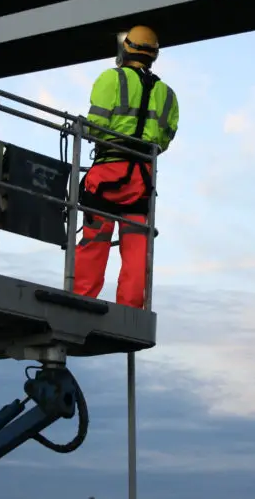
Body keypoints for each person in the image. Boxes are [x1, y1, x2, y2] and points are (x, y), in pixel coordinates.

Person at [72, 25, 179, 309]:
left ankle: (82, 299)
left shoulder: (110, 78)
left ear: (126, 48)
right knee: (136, 249)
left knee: (94, 242)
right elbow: (165, 141)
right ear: (154, 55)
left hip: (108, 172)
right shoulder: (168, 95)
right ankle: (130, 308)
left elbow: (96, 127)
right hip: (142, 180)